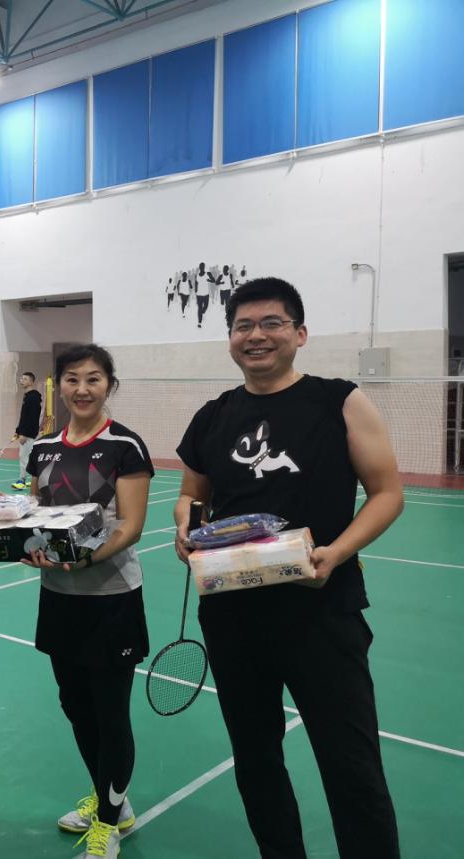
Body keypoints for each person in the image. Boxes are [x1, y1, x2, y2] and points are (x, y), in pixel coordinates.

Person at [173, 277, 403, 859]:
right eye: (243, 326)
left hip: (323, 612)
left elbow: (387, 493)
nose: (257, 336)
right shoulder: (212, 416)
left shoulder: (339, 401)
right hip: (232, 616)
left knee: (351, 765)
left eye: (272, 323)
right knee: (255, 760)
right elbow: (192, 495)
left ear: (299, 333)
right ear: (230, 339)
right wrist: (185, 528)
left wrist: (336, 552)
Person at [20, 344, 154, 859]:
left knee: (110, 713)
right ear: (60, 386)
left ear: (108, 385)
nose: (82, 389)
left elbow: (132, 526)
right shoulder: (44, 448)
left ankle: (108, 821)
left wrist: (84, 559)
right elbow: (37, 514)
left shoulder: (126, 446)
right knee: (75, 706)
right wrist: (28, 546)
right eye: (72, 379)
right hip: (59, 598)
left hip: (111, 598)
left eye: (93, 379)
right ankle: (110, 800)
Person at [12, 371, 42, 490]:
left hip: (29, 434)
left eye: (25, 379)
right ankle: (33, 479)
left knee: (23, 456)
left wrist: (25, 434)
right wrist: (18, 431)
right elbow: (24, 417)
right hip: (26, 432)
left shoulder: (33, 397)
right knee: (29, 457)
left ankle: (22, 480)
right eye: (21, 379)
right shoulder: (28, 396)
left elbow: (32, 418)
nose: (22, 381)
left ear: (31, 382)